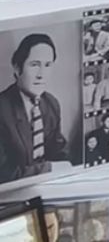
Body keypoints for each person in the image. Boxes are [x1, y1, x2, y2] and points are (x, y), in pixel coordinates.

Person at [0, 33, 69, 181]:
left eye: (47, 65)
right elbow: (3, 174)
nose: (41, 74)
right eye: (34, 65)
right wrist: (49, 169)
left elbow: (59, 151)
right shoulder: (2, 109)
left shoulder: (51, 103)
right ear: (17, 68)